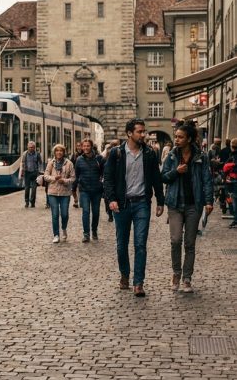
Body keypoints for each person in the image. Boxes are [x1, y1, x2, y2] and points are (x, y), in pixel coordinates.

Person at [104, 119, 164, 297]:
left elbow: (156, 178)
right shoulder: (116, 154)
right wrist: (111, 199)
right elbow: (108, 179)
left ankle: (138, 283)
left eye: (144, 131)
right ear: (129, 133)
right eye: (140, 131)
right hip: (122, 204)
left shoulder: (149, 153)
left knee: (140, 244)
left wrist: (160, 201)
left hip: (141, 204)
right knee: (121, 245)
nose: (143, 135)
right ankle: (124, 275)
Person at [161, 122, 213, 293]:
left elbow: (207, 179)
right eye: (176, 136)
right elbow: (164, 177)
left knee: (190, 244)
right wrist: (176, 171)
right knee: (175, 240)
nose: (176, 139)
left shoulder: (201, 157)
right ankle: (176, 273)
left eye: (180, 137)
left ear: (189, 139)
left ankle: (187, 278)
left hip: (193, 205)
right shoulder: (171, 156)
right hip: (175, 204)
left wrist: (208, 201)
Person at [43, 144, 75, 243]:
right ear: (54, 153)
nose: (59, 152)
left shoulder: (69, 163)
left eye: (61, 151)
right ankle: (56, 234)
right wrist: (54, 178)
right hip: (52, 192)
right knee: (55, 214)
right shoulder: (50, 163)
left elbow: (73, 178)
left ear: (63, 152)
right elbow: (45, 176)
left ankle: (64, 228)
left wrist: (64, 181)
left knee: (64, 214)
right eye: (57, 151)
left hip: (65, 193)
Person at [74, 139, 104, 243]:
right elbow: (76, 175)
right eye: (84, 146)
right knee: (86, 212)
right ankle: (86, 234)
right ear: (82, 147)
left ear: (91, 147)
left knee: (95, 212)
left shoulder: (99, 159)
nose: (86, 148)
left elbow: (104, 173)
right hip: (84, 190)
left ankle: (94, 230)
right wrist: (74, 189)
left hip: (97, 190)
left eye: (88, 146)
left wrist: (102, 183)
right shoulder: (79, 160)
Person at [19, 141, 42, 208]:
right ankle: (26, 202)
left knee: (34, 189)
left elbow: (40, 163)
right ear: (27, 147)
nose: (31, 148)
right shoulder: (24, 154)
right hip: (27, 173)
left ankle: (32, 202)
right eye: (29, 147)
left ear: (34, 147)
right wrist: (22, 172)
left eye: (32, 147)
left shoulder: (37, 154)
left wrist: (39, 171)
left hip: (35, 173)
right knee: (27, 188)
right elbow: (22, 163)